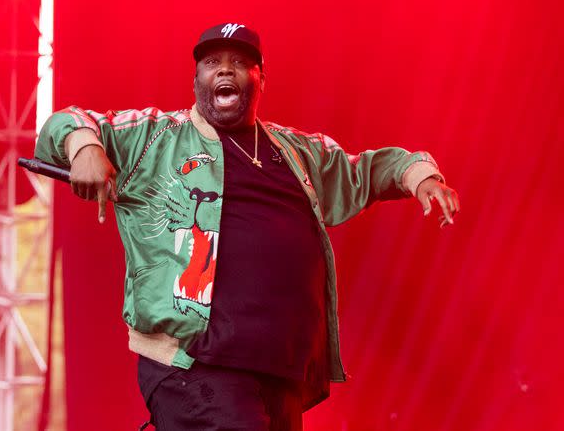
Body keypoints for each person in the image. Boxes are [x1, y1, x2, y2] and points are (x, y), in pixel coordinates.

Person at [34, 23, 460, 430]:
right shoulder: (156, 137)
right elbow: (65, 121)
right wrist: (85, 147)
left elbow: (364, 169)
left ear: (260, 79)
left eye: (239, 62)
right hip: (197, 364)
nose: (224, 69)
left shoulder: (294, 151)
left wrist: (418, 175)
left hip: (280, 368)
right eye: (212, 62)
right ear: (197, 78)